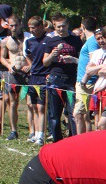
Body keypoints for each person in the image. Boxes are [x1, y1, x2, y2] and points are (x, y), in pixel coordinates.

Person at [42, 14, 82, 142]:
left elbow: (83, 59)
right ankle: (56, 140)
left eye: (63, 26)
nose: (61, 29)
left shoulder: (76, 40)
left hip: (71, 78)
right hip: (55, 78)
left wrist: (73, 60)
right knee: (54, 113)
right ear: (54, 26)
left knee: (73, 112)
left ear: (68, 25)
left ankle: (74, 140)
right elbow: (45, 62)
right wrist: (52, 55)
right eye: (58, 26)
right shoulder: (50, 41)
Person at [1, 16, 30, 141]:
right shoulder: (6, 41)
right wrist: (8, 66)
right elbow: (2, 57)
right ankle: (14, 130)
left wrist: (30, 66)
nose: (13, 28)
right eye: (11, 26)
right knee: (12, 103)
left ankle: (32, 132)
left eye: (15, 25)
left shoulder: (28, 38)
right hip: (13, 74)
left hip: (27, 73)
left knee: (31, 104)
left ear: (20, 25)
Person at [24, 16, 50, 144]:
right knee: (33, 106)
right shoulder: (30, 41)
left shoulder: (49, 40)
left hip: (43, 77)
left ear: (40, 27)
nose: (31, 30)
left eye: (33, 28)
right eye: (29, 28)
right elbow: (28, 54)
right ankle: (34, 133)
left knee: (41, 107)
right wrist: (31, 65)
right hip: (33, 77)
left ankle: (41, 135)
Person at [72, 17, 100, 136]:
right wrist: (74, 60)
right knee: (84, 115)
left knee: (78, 114)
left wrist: (85, 79)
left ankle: (80, 142)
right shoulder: (89, 41)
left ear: (83, 27)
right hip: (83, 81)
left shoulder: (92, 41)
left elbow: (94, 61)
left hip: (87, 82)